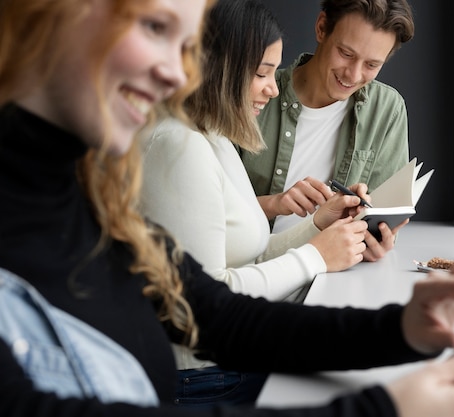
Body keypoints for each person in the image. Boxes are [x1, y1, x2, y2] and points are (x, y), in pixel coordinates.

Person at [0, 1, 454, 417]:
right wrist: (387, 407)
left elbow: (219, 315)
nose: (179, 74)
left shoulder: (92, 206)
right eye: (154, 27)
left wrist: (402, 328)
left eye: (186, 47)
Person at [139, 0, 369, 406]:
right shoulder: (179, 148)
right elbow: (206, 303)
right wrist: (315, 257)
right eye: (262, 72)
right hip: (203, 379)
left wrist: (318, 224)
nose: (274, 87)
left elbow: (249, 257)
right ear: (218, 68)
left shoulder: (212, 134)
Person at [240, 0, 414, 236]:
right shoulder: (252, 95)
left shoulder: (387, 110)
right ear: (322, 27)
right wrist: (275, 203)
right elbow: (213, 214)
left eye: (372, 65)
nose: (353, 75)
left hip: (335, 269)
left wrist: (377, 242)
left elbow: (381, 222)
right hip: (253, 263)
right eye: (345, 53)